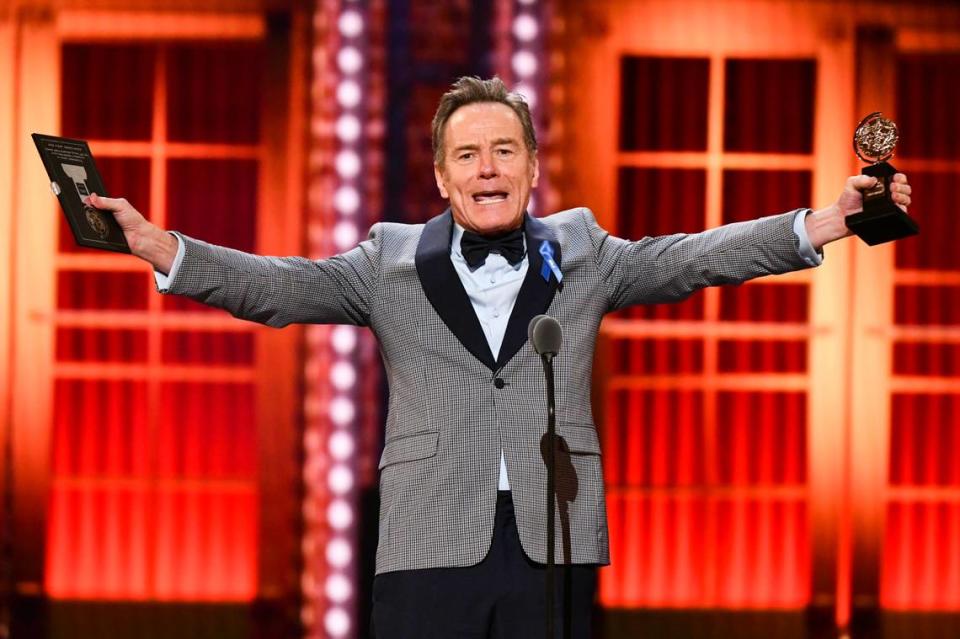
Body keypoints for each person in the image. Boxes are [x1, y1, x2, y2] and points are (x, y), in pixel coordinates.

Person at [88, 76, 912, 638]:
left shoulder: (583, 250)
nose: (489, 168)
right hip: (427, 542)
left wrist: (827, 221)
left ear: (533, 167)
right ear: (443, 177)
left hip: (553, 541)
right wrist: (163, 246)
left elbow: (693, 256)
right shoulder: (389, 261)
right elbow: (280, 286)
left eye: (506, 151)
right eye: (470, 155)